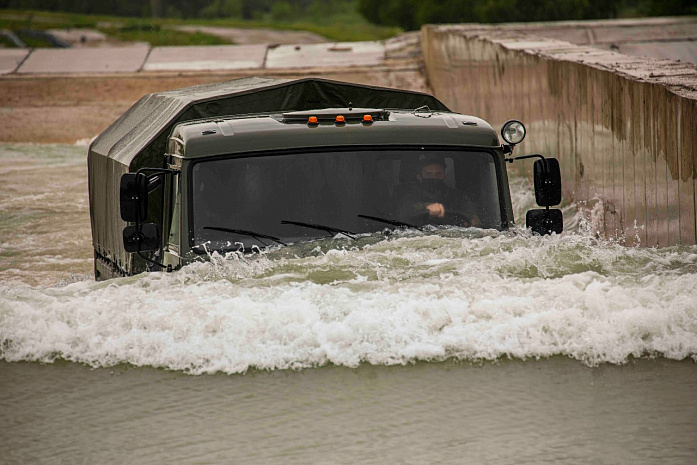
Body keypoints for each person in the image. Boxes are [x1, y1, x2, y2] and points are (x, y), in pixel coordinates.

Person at [395, 155, 480, 227]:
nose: (434, 177)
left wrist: (472, 222)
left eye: (438, 173)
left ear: (444, 176)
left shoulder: (458, 197)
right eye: (429, 174)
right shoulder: (410, 197)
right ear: (419, 177)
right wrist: (427, 207)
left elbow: (474, 219)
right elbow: (402, 217)